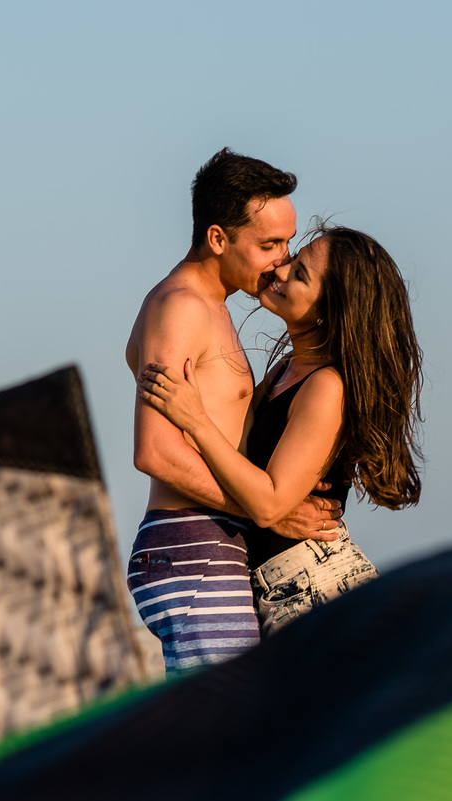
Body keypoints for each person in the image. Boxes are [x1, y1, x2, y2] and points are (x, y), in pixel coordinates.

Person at [140, 221, 423, 636]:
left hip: (313, 587)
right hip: (283, 586)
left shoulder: (326, 387)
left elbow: (269, 503)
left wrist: (195, 420)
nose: (281, 270)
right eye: (294, 259)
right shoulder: (284, 371)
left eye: (300, 274)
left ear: (329, 311)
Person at [125, 150, 345, 672]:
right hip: (192, 547)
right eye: (269, 245)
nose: (281, 261)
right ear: (218, 238)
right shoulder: (181, 307)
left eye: (287, 243)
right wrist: (269, 510)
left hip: (206, 546)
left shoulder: (210, 306)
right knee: (221, 718)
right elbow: (155, 451)